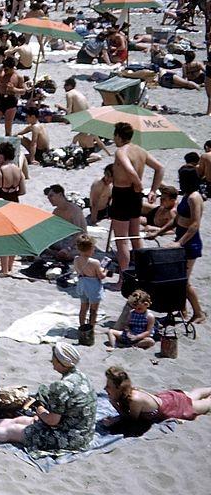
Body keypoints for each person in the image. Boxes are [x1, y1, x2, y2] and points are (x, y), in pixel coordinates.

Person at [0, 343, 97, 453]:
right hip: (81, 431)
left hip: (71, 437)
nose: (51, 361)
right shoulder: (82, 377)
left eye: (54, 358)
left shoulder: (62, 386)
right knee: (20, 420)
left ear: (61, 362)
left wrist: (38, 407)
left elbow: (52, 421)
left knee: (14, 431)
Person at [110, 122, 164, 286]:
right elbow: (160, 168)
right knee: (135, 236)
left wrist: (138, 183)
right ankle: (143, 273)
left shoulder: (121, 151)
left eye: (114, 136)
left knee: (122, 240)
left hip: (122, 194)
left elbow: (129, 169)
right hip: (135, 197)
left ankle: (123, 281)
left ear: (119, 136)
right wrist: (153, 190)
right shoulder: (140, 150)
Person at [148, 164, 204, 322]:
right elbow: (176, 220)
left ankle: (198, 313)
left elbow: (194, 224)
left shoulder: (194, 197)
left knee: (183, 282)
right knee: (177, 279)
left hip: (191, 243)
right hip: (182, 240)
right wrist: (158, 233)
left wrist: (179, 243)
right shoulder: (186, 196)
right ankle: (182, 311)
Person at [102, 367, 211, 425]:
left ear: (118, 388)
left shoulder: (135, 399)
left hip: (173, 407)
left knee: (205, 404)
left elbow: (132, 420)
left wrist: (115, 406)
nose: (105, 389)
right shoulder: (127, 392)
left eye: (108, 386)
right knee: (193, 395)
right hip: (167, 399)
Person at [0, 142, 24, 274]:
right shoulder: (18, 169)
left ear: (2, 155)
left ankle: (4, 270)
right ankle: (10, 266)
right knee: (13, 235)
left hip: (1, 204)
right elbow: (22, 191)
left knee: (3, 237)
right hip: (15, 203)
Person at [73, 235, 105, 336]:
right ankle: (91, 329)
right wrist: (105, 270)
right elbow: (101, 276)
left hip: (82, 285)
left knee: (83, 308)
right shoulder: (95, 262)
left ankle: (82, 326)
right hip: (93, 287)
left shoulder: (77, 259)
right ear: (90, 248)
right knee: (93, 310)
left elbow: (78, 271)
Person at [0, 58, 25, 136]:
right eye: (4, 68)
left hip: (11, 100)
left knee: (8, 125)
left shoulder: (18, 77)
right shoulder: (1, 74)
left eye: (7, 69)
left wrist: (14, 89)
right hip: (0, 99)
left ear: (12, 68)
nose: (5, 70)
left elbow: (23, 91)